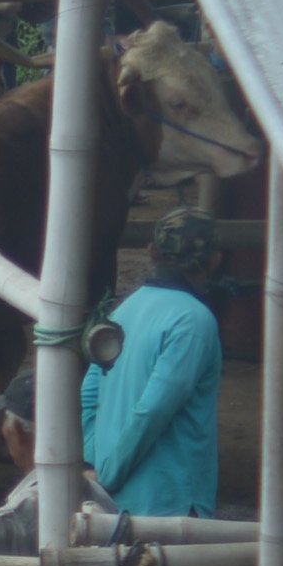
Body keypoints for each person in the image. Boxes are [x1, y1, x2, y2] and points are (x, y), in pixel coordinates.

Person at [80, 210, 223, 518]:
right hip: (171, 506)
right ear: (214, 260)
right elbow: (153, 411)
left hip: (115, 505)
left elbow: (88, 395)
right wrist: (109, 474)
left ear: (153, 252)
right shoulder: (195, 321)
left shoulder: (122, 311)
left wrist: (97, 462)